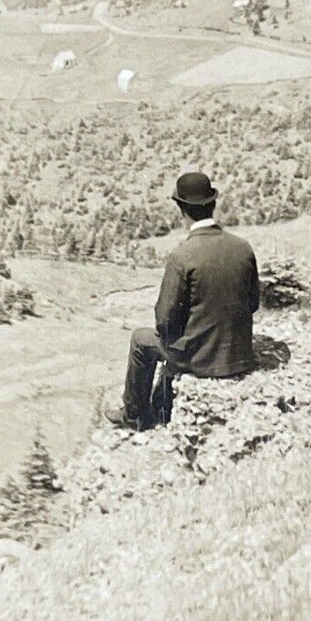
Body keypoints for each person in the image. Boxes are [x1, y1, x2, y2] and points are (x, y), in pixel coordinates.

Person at [107, 171, 261, 428]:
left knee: (140, 340)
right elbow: (253, 303)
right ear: (212, 204)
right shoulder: (243, 247)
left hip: (200, 360)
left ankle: (135, 415)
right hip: (240, 354)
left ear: (182, 210)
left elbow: (164, 321)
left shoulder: (183, 256)